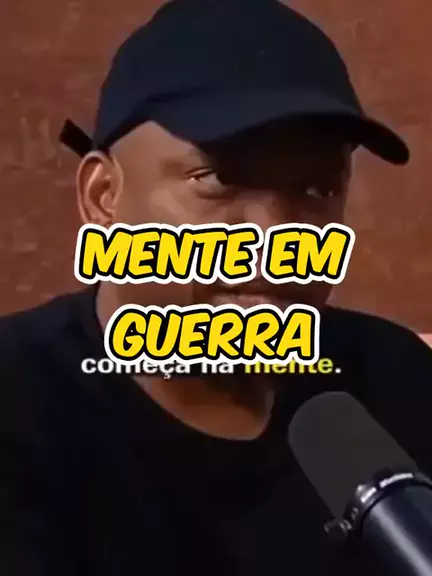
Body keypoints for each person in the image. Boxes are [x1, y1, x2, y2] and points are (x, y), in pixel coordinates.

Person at [1, 0, 431, 574]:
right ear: (103, 196)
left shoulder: (399, 379)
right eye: (218, 179)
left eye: (320, 189)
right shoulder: (20, 406)